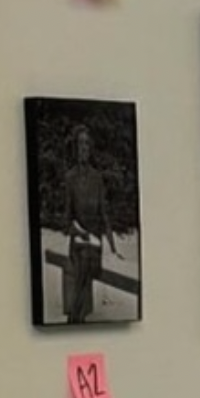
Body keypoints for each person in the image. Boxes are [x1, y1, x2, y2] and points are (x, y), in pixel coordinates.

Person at [58, 126, 115, 324]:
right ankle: (77, 318)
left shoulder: (97, 178)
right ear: (75, 148)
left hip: (95, 244)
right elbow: (66, 221)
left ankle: (75, 319)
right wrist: (77, 232)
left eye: (87, 144)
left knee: (88, 260)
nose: (84, 148)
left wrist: (112, 245)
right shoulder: (70, 178)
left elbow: (104, 214)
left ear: (90, 148)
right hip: (79, 244)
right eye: (80, 143)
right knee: (83, 260)